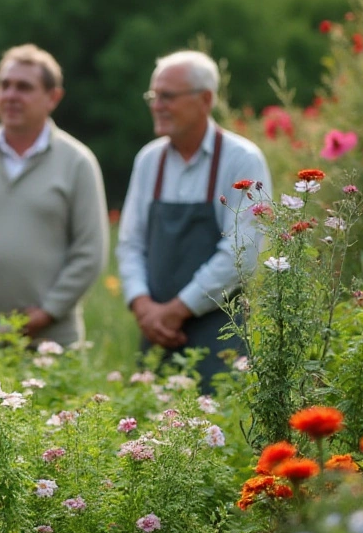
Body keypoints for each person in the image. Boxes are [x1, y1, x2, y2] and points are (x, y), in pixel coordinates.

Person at [116, 50, 272, 389]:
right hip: (156, 335)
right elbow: (130, 243)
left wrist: (176, 310)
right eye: (153, 95)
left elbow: (241, 253)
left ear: (205, 100)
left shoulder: (242, 159)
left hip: (218, 335)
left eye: (168, 96)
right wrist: (142, 305)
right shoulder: (149, 161)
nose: (157, 105)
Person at [0, 44, 108, 346]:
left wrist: (48, 312)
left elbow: (90, 251)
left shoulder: (77, 162)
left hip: (52, 340)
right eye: (4, 85)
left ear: (53, 96)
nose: (10, 96)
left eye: (23, 87)